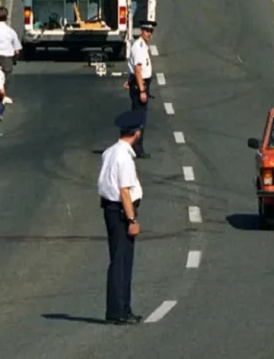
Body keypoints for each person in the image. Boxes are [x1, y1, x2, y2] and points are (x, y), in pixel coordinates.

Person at [98, 109, 145, 325]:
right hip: (121, 211)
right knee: (121, 261)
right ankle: (118, 310)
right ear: (136, 133)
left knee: (120, 259)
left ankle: (121, 309)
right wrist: (132, 220)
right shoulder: (124, 158)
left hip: (110, 208)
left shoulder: (109, 152)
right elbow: (124, 191)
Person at [123, 20, 155, 158]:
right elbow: (137, 69)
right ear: (141, 31)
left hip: (138, 83)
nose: (149, 34)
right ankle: (136, 146)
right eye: (147, 31)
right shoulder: (139, 47)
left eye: (151, 31)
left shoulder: (143, 46)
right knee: (139, 118)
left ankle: (134, 145)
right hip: (140, 85)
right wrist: (142, 90)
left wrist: (129, 81)